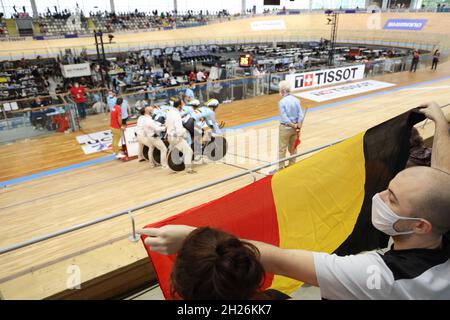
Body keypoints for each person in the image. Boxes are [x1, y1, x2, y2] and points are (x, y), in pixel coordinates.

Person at [140, 104, 450, 300]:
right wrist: (439, 121)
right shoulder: (440, 226)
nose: (378, 195)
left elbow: (276, 257)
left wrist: (192, 237)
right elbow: (441, 181)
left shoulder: (374, 277)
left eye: (391, 198)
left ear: (421, 225)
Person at [276, 80, 304, 171]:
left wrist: (292, 125)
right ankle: (292, 166)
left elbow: (285, 118)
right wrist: (298, 126)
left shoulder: (282, 102)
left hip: (285, 128)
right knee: (293, 148)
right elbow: (301, 115)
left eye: (280, 89)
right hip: (296, 128)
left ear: (283, 90)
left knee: (282, 149)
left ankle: (281, 168)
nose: (279, 91)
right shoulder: (296, 100)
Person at [166, 98, 195, 174]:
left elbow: (166, 124)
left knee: (172, 152)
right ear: (179, 105)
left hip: (170, 136)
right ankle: (188, 169)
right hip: (176, 137)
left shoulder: (170, 112)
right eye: (182, 104)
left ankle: (172, 167)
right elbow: (179, 130)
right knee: (189, 151)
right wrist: (185, 134)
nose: (183, 105)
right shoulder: (177, 115)